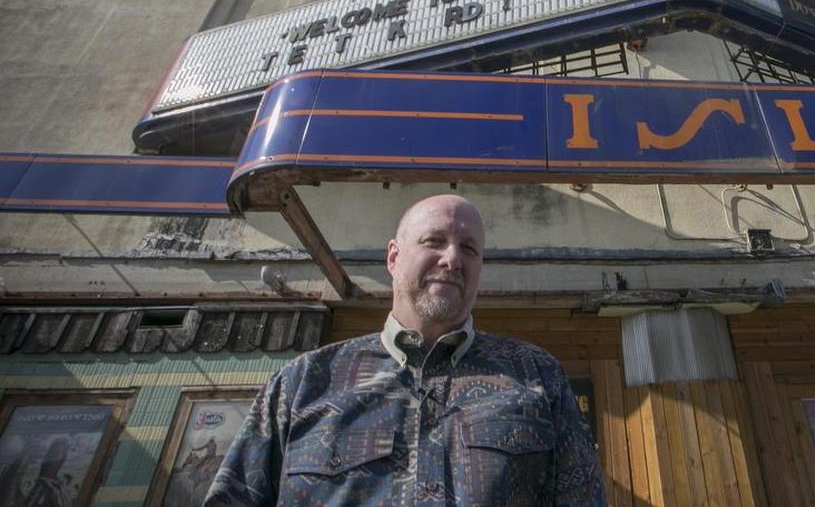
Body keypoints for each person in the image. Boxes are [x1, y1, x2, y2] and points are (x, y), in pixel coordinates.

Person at [205, 194, 604, 506]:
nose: (452, 260)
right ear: (393, 257)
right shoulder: (302, 383)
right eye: (434, 241)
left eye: (469, 249)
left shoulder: (536, 377)